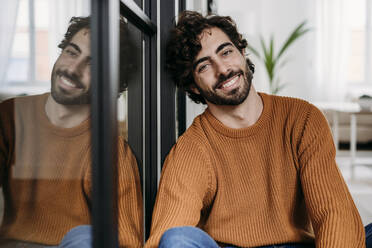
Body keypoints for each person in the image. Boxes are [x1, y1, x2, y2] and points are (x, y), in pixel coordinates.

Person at [145, 11, 372, 248]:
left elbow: (333, 212)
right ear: (193, 86)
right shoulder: (192, 148)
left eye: (226, 52)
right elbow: (169, 234)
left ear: (242, 53)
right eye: (204, 66)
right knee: (177, 239)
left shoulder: (303, 119)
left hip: (299, 246)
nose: (222, 69)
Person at [0, 16, 142, 247]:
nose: (73, 69)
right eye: (71, 52)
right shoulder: (10, 116)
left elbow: (127, 242)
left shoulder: (110, 151)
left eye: (92, 64)